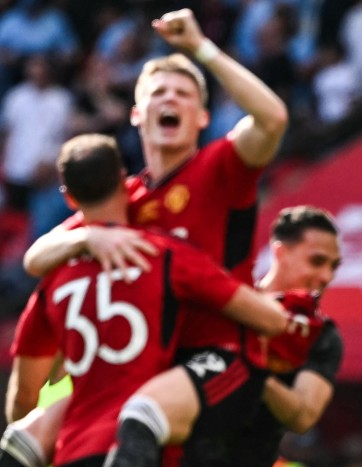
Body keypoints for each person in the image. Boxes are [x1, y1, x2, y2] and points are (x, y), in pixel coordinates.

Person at [21, 7, 290, 466]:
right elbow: (36, 257)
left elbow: (272, 120)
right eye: (159, 91)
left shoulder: (221, 166)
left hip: (219, 361)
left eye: (184, 93)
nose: (172, 99)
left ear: (202, 116)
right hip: (150, 373)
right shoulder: (125, 198)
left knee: (139, 417)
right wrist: (86, 240)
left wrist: (200, 49)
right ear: (136, 114)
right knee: (26, 435)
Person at [0, 134, 315, 467]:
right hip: (146, 449)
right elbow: (267, 320)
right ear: (125, 181)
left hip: (74, 451)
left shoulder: (55, 281)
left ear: (70, 199)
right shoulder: (164, 255)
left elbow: (23, 396)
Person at [208, 205, 344, 466]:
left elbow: (303, 418)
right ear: (280, 252)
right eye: (316, 261)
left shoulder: (322, 337)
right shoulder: (230, 304)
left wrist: (254, 371)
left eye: (334, 266)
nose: (327, 276)